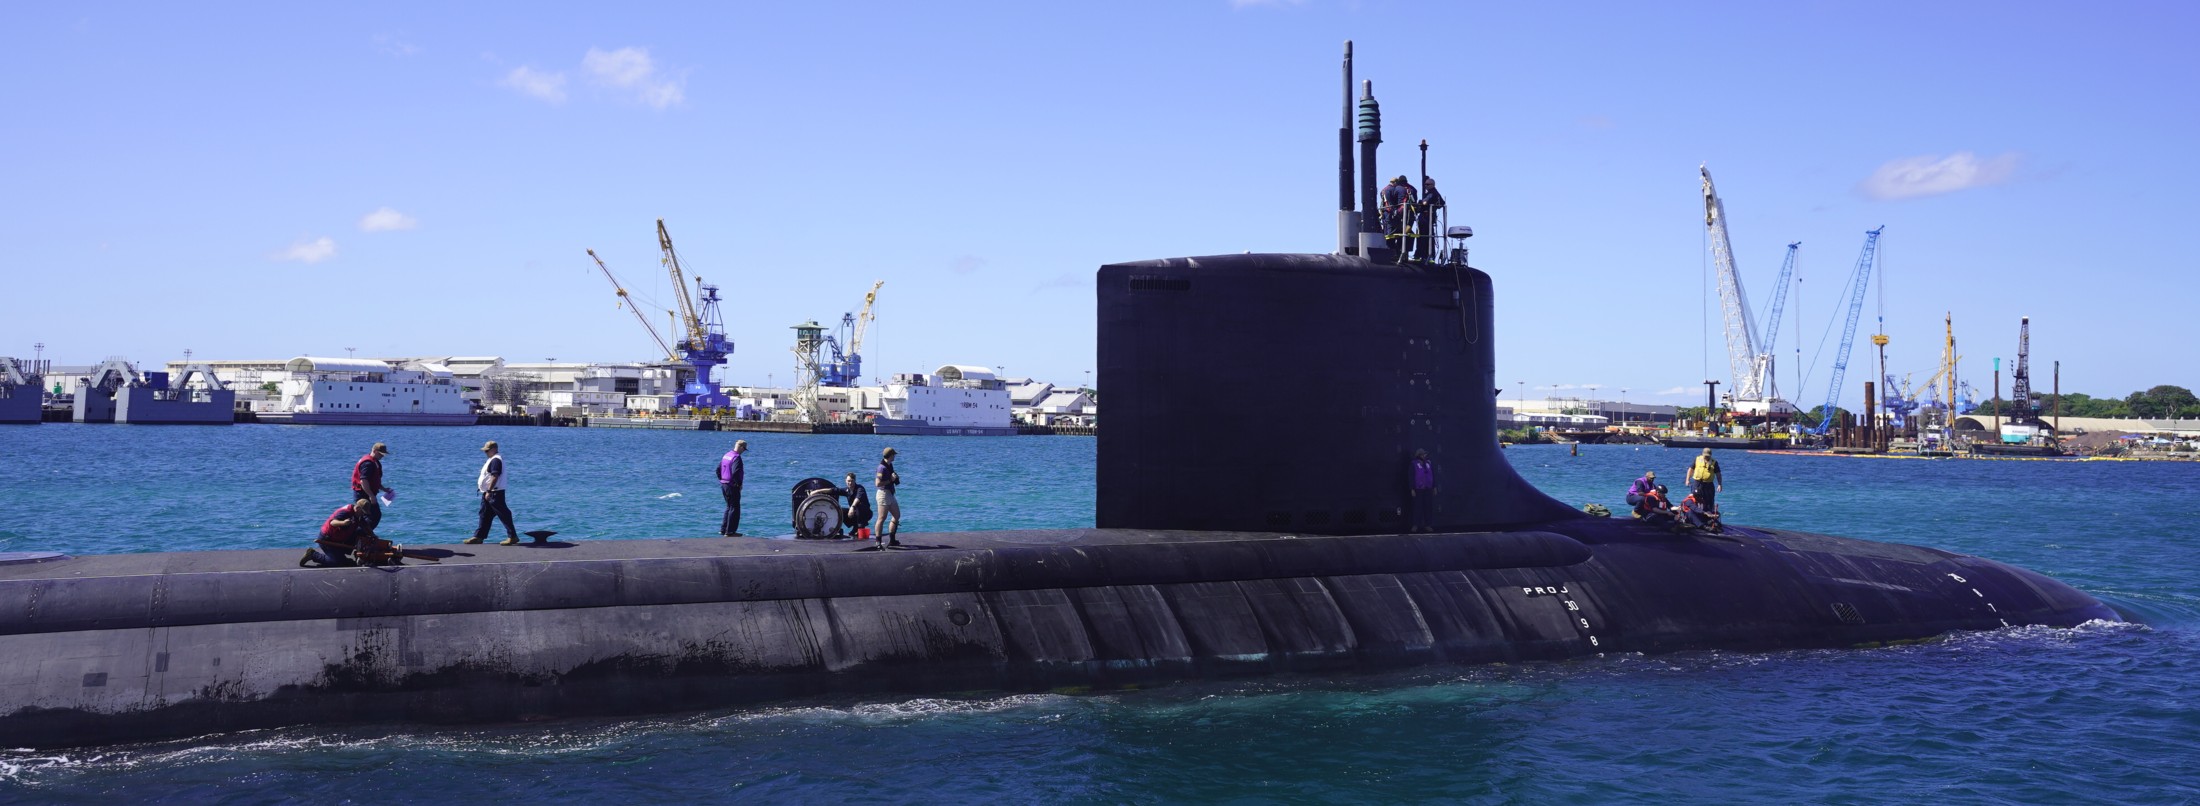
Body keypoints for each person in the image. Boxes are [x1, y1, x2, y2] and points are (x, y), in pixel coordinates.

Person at [301, 502, 399, 567]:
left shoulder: (358, 515)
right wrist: (343, 523)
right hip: (327, 539)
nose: (363, 515)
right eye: (363, 512)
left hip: (340, 538)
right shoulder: (345, 512)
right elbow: (332, 522)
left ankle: (360, 555)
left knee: (361, 532)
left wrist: (373, 535)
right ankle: (313, 555)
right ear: (358, 508)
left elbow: (365, 526)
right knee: (337, 562)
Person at [467, 440, 521, 545]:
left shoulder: (496, 460)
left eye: (487, 451)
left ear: (494, 449)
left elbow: (495, 476)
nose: (485, 453)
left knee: (503, 514)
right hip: (490, 492)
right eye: (485, 451)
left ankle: (513, 536)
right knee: (484, 514)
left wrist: (489, 491)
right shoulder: (493, 459)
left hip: (494, 493)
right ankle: (479, 536)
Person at [350, 442, 392, 531]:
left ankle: (362, 535)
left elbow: (373, 480)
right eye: (380, 454)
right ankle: (359, 535)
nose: (382, 456)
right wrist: (371, 495)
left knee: (370, 516)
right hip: (363, 494)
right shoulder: (368, 463)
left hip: (368, 493)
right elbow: (363, 481)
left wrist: (384, 489)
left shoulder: (374, 462)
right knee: (372, 516)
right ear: (374, 451)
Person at [1380, 175, 1417, 257]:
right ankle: (1402, 253)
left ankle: (1394, 253)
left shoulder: (1386, 189)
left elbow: (1394, 203)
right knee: (1405, 233)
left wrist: (1396, 213)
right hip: (1406, 215)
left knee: (1391, 233)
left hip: (1391, 214)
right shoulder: (1410, 189)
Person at [718, 439, 748, 537]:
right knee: (735, 508)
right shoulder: (737, 458)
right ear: (741, 447)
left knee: (728, 507)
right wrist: (738, 485)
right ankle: (730, 531)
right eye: (744, 449)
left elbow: (718, 470)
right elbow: (736, 472)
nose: (743, 451)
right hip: (732, 485)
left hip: (724, 484)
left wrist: (722, 480)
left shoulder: (726, 455)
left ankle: (723, 529)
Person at [875, 447, 902, 547]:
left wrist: (895, 479)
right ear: (890, 455)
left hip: (890, 493)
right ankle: (878, 542)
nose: (895, 456)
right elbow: (877, 483)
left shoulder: (890, 465)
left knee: (897, 515)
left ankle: (892, 539)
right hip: (882, 493)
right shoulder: (881, 467)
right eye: (894, 454)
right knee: (881, 518)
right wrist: (891, 480)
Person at [1415, 177, 1447, 261]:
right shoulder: (1436, 193)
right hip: (1429, 217)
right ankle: (1429, 255)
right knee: (1429, 236)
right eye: (1425, 184)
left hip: (1426, 218)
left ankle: (1422, 255)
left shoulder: (1432, 193)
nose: (1426, 186)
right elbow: (1442, 203)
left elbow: (1425, 202)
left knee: (1423, 236)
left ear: (1432, 185)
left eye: (1427, 184)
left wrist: (1420, 202)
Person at [837, 471, 873, 540]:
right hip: (855, 514)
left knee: (859, 507)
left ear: (855, 481)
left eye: (851, 481)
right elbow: (835, 490)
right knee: (840, 510)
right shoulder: (847, 490)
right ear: (845, 481)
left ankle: (860, 528)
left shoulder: (860, 488)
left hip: (865, 514)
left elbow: (858, 498)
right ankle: (855, 527)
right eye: (848, 481)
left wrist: (852, 507)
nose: (849, 483)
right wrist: (817, 491)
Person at [1407, 449, 1436, 533]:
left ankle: (1428, 525)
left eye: (1425, 454)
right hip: (1418, 489)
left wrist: (1434, 487)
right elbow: (1411, 477)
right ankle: (1415, 525)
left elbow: (1432, 475)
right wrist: (1412, 488)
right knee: (1417, 507)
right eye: (1423, 454)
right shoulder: (1413, 464)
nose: (1424, 456)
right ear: (1419, 455)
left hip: (1428, 489)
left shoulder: (1428, 463)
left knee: (1428, 507)